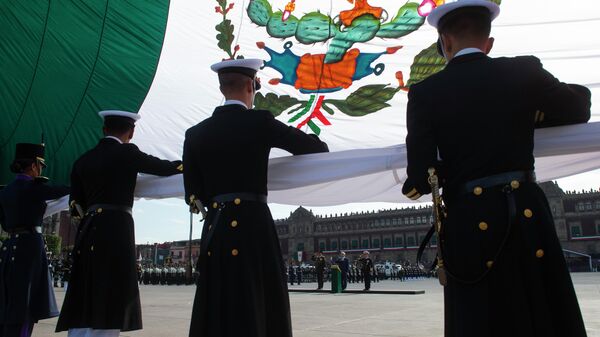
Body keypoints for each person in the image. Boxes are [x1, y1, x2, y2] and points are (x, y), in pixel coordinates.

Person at [402, 1, 591, 336]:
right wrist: (534, 113)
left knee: (480, 317)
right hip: (526, 212)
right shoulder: (524, 71)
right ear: (489, 43)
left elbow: (419, 173)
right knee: (541, 311)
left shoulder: (425, 92)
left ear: (445, 42)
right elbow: (578, 105)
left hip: (470, 220)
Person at [184, 58, 329, 337]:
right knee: (258, 301)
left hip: (216, 228)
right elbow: (314, 149)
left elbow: (194, 192)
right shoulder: (260, 121)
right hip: (253, 227)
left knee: (217, 302)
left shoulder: (195, 134)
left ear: (221, 88)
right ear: (252, 85)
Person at [56, 110, 183, 337]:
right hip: (116, 228)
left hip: (89, 229)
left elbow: (76, 204)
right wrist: (186, 164)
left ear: (104, 129)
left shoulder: (82, 161)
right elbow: (162, 167)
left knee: (86, 285)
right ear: (131, 132)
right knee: (112, 286)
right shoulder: (127, 153)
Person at [0, 143, 69, 337]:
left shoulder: (5, 192)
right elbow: (65, 190)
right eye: (41, 166)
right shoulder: (35, 189)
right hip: (29, 248)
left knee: (8, 301)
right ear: (34, 165)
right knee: (26, 305)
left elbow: (5, 224)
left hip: (9, 247)